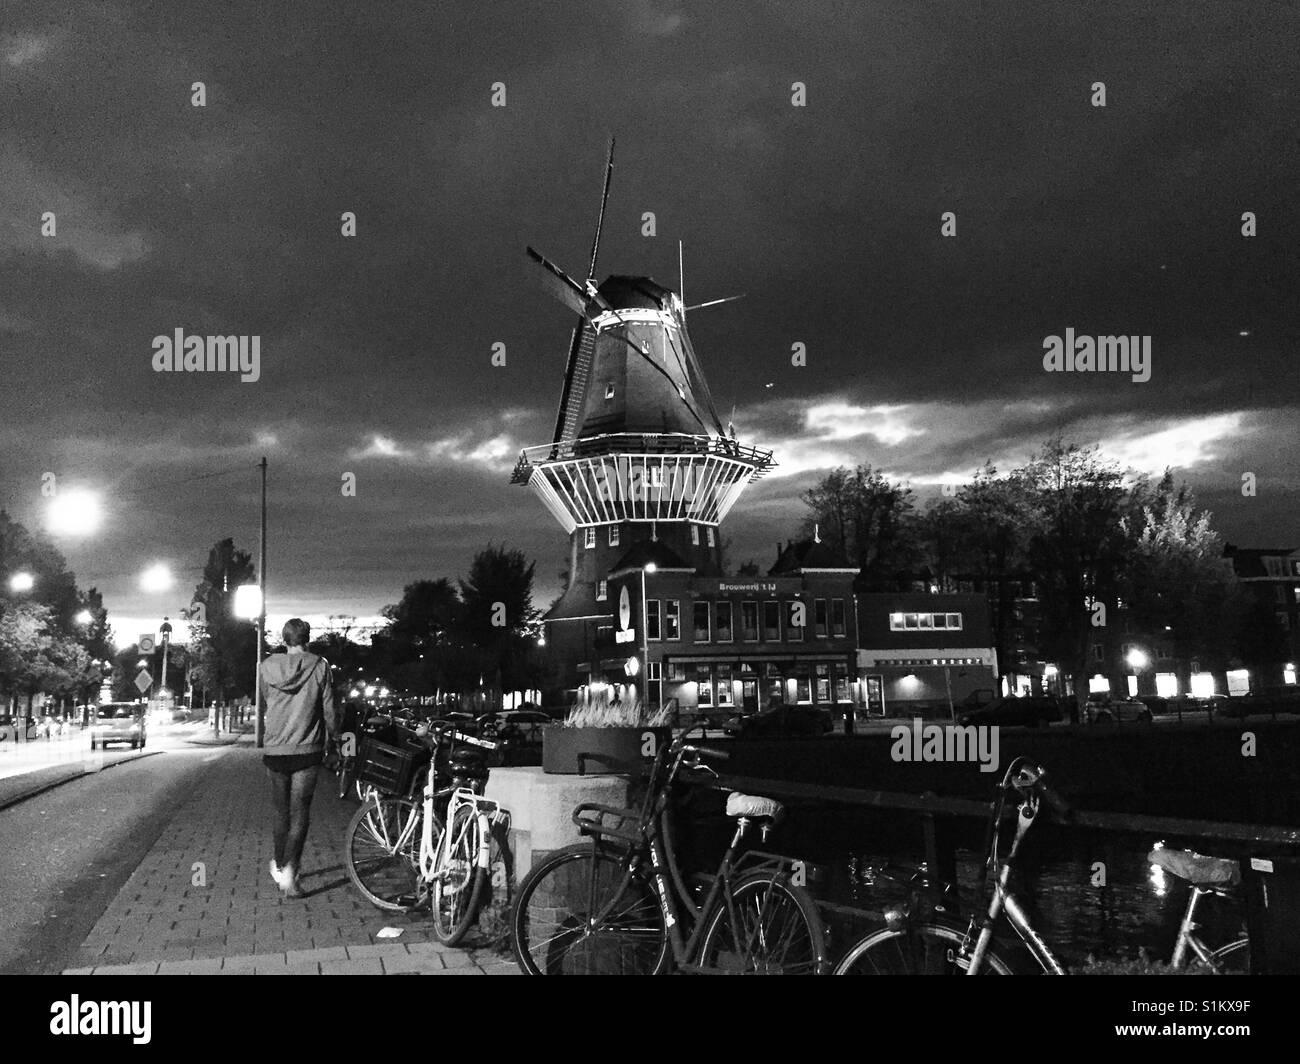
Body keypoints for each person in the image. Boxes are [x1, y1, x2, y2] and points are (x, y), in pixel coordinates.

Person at [259, 618, 338, 898]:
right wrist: (336, 740)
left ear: (284, 639)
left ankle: (279, 865)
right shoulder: (320, 666)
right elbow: (329, 709)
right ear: (308, 638)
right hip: (307, 749)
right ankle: (290, 872)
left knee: (280, 812)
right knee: (300, 813)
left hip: (276, 749)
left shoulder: (266, 667)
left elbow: (267, 699)